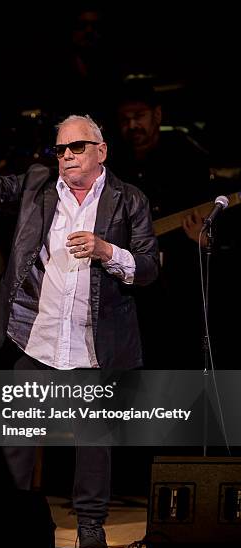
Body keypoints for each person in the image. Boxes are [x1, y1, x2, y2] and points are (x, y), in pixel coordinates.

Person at [0, 110, 158, 548]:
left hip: (94, 340)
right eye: (61, 148)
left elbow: (148, 268)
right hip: (38, 332)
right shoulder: (38, 185)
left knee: (94, 441)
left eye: (77, 147)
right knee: (17, 436)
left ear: (100, 151)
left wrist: (108, 251)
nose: (66, 156)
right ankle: (9, 522)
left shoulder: (129, 199)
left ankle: (90, 526)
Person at [110, 79, 213, 369]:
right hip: (127, 287)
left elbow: (210, 221)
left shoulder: (187, 158)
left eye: (139, 117)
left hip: (178, 283)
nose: (132, 126)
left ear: (157, 115)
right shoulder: (112, 165)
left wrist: (203, 238)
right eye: (125, 120)